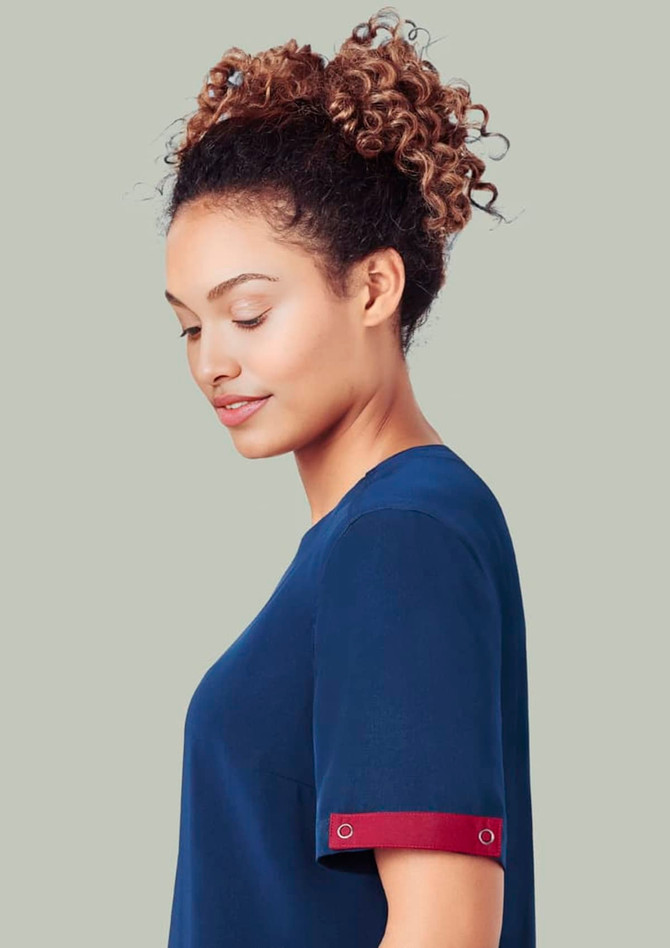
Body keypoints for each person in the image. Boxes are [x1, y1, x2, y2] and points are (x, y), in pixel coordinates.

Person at [159, 7, 535, 947]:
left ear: (373, 288)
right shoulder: (388, 531)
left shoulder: (399, 538)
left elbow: (445, 931)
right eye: (189, 327)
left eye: (247, 314)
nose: (211, 361)